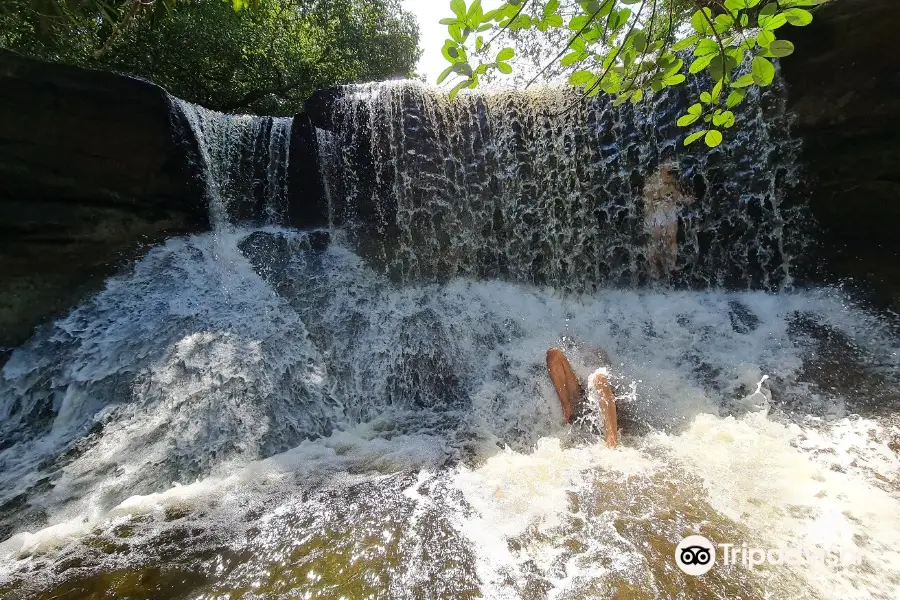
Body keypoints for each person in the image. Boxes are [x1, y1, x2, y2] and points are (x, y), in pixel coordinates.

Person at [546, 347, 619, 448]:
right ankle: (567, 411)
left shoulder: (609, 344)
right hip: (579, 393)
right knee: (553, 354)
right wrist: (566, 405)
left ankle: (612, 443)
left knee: (600, 379)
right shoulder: (573, 343)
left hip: (608, 397)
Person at [642, 161, 694, 280]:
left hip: (670, 211)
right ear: (661, 167)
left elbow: (677, 195)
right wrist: (660, 195)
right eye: (668, 165)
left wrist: (686, 199)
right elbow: (648, 196)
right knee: (656, 240)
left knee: (672, 239)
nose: (671, 167)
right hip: (657, 212)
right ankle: (652, 267)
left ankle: (671, 264)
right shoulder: (653, 179)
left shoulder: (673, 179)